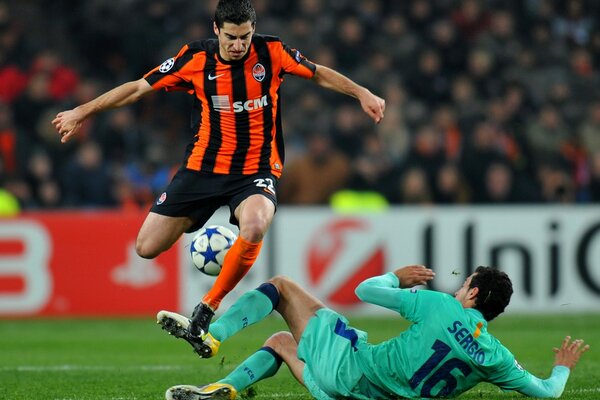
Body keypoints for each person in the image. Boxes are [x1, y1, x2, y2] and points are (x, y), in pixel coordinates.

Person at [52, 0, 385, 349]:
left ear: (253, 30)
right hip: (202, 169)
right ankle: (211, 232)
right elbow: (137, 88)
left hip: (255, 169)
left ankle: (206, 308)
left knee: (256, 224)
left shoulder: (271, 52)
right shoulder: (195, 59)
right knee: (146, 247)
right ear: (216, 30)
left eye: (245, 37)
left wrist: (361, 92)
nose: (239, 45)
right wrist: (82, 111)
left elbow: (318, 73)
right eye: (231, 37)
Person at [160, 265, 589, 400]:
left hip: (352, 370)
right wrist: (562, 369)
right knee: (280, 344)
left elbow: (365, 290)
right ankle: (222, 389)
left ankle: (211, 335)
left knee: (283, 288)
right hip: (356, 397)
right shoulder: (495, 357)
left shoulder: (441, 307)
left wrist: (397, 276)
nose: (458, 288)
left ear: (473, 292)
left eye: (465, 283)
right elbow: (548, 392)